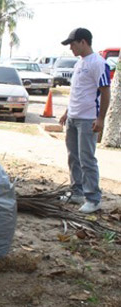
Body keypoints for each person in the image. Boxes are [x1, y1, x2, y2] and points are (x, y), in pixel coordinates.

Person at [58, 28, 110, 214]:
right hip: (73, 117)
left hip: (88, 119)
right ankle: (77, 191)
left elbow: (105, 91)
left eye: (72, 44)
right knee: (73, 157)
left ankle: (93, 198)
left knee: (87, 159)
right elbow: (77, 91)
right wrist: (66, 112)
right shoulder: (78, 64)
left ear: (83, 42)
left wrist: (101, 118)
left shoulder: (98, 63)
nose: (70, 48)